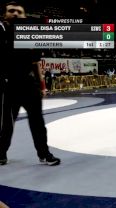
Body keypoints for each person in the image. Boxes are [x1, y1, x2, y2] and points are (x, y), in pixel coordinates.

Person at [0, 1, 61, 166]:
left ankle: (44, 154)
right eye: (11, 11)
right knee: (6, 124)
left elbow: (35, 63)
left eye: (19, 12)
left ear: (24, 16)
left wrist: (42, 85)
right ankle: (1, 153)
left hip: (29, 85)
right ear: (5, 15)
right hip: (9, 85)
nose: (15, 14)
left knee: (38, 123)